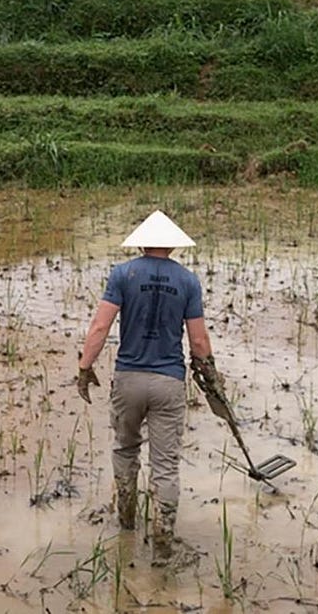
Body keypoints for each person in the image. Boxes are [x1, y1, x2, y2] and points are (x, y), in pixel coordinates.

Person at [75, 210, 224, 565]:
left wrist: (84, 368)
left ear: (141, 241)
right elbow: (199, 341)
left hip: (128, 379)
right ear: (172, 245)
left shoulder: (123, 274)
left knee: (125, 449)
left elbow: (100, 327)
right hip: (169, 382)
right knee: (166, 466)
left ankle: (126, 523)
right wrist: (211, 377)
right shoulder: (188, 281)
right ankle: (162, 546)